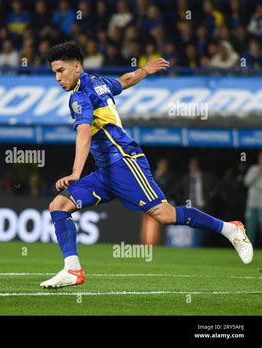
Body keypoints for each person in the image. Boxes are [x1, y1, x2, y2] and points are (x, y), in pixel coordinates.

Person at [41, 41, 253, 289]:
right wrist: (144, 70)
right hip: (106, 171)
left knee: (165, 215)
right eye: (54, 72)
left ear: (76, 67)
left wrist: (76, 172)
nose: (57, 78)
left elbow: (84, 134)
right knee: (59, 205)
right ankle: (73, 269)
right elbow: (125, 81)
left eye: (60, 70)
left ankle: (231, 229)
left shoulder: (79, 97)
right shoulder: (98, 82)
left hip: (125, 162)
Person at [244, 151, 262, 246]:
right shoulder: (253, 169)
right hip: (251, 204)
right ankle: (248, 251)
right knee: (250, 230)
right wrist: (258, 171)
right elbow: (247, 182)